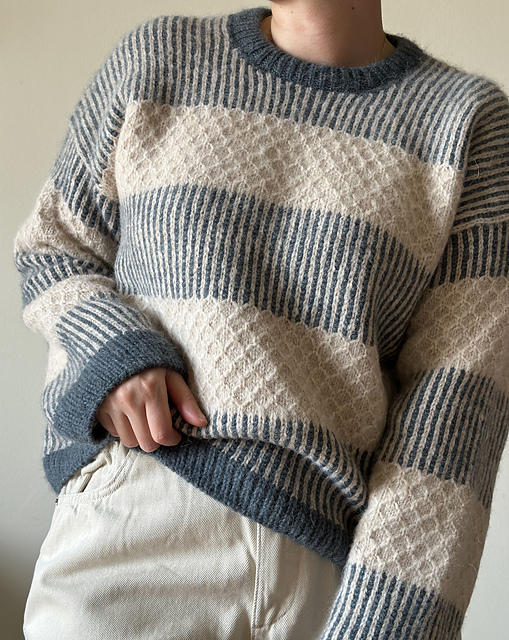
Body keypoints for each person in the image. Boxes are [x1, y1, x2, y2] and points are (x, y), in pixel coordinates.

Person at [14, 1, 509, 638]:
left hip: (329, 566)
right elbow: (56, 246)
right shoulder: (159, 59)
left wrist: (390, 622)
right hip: (142, 514)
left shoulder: (468, 123)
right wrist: (113, 353)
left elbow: (456, 411)